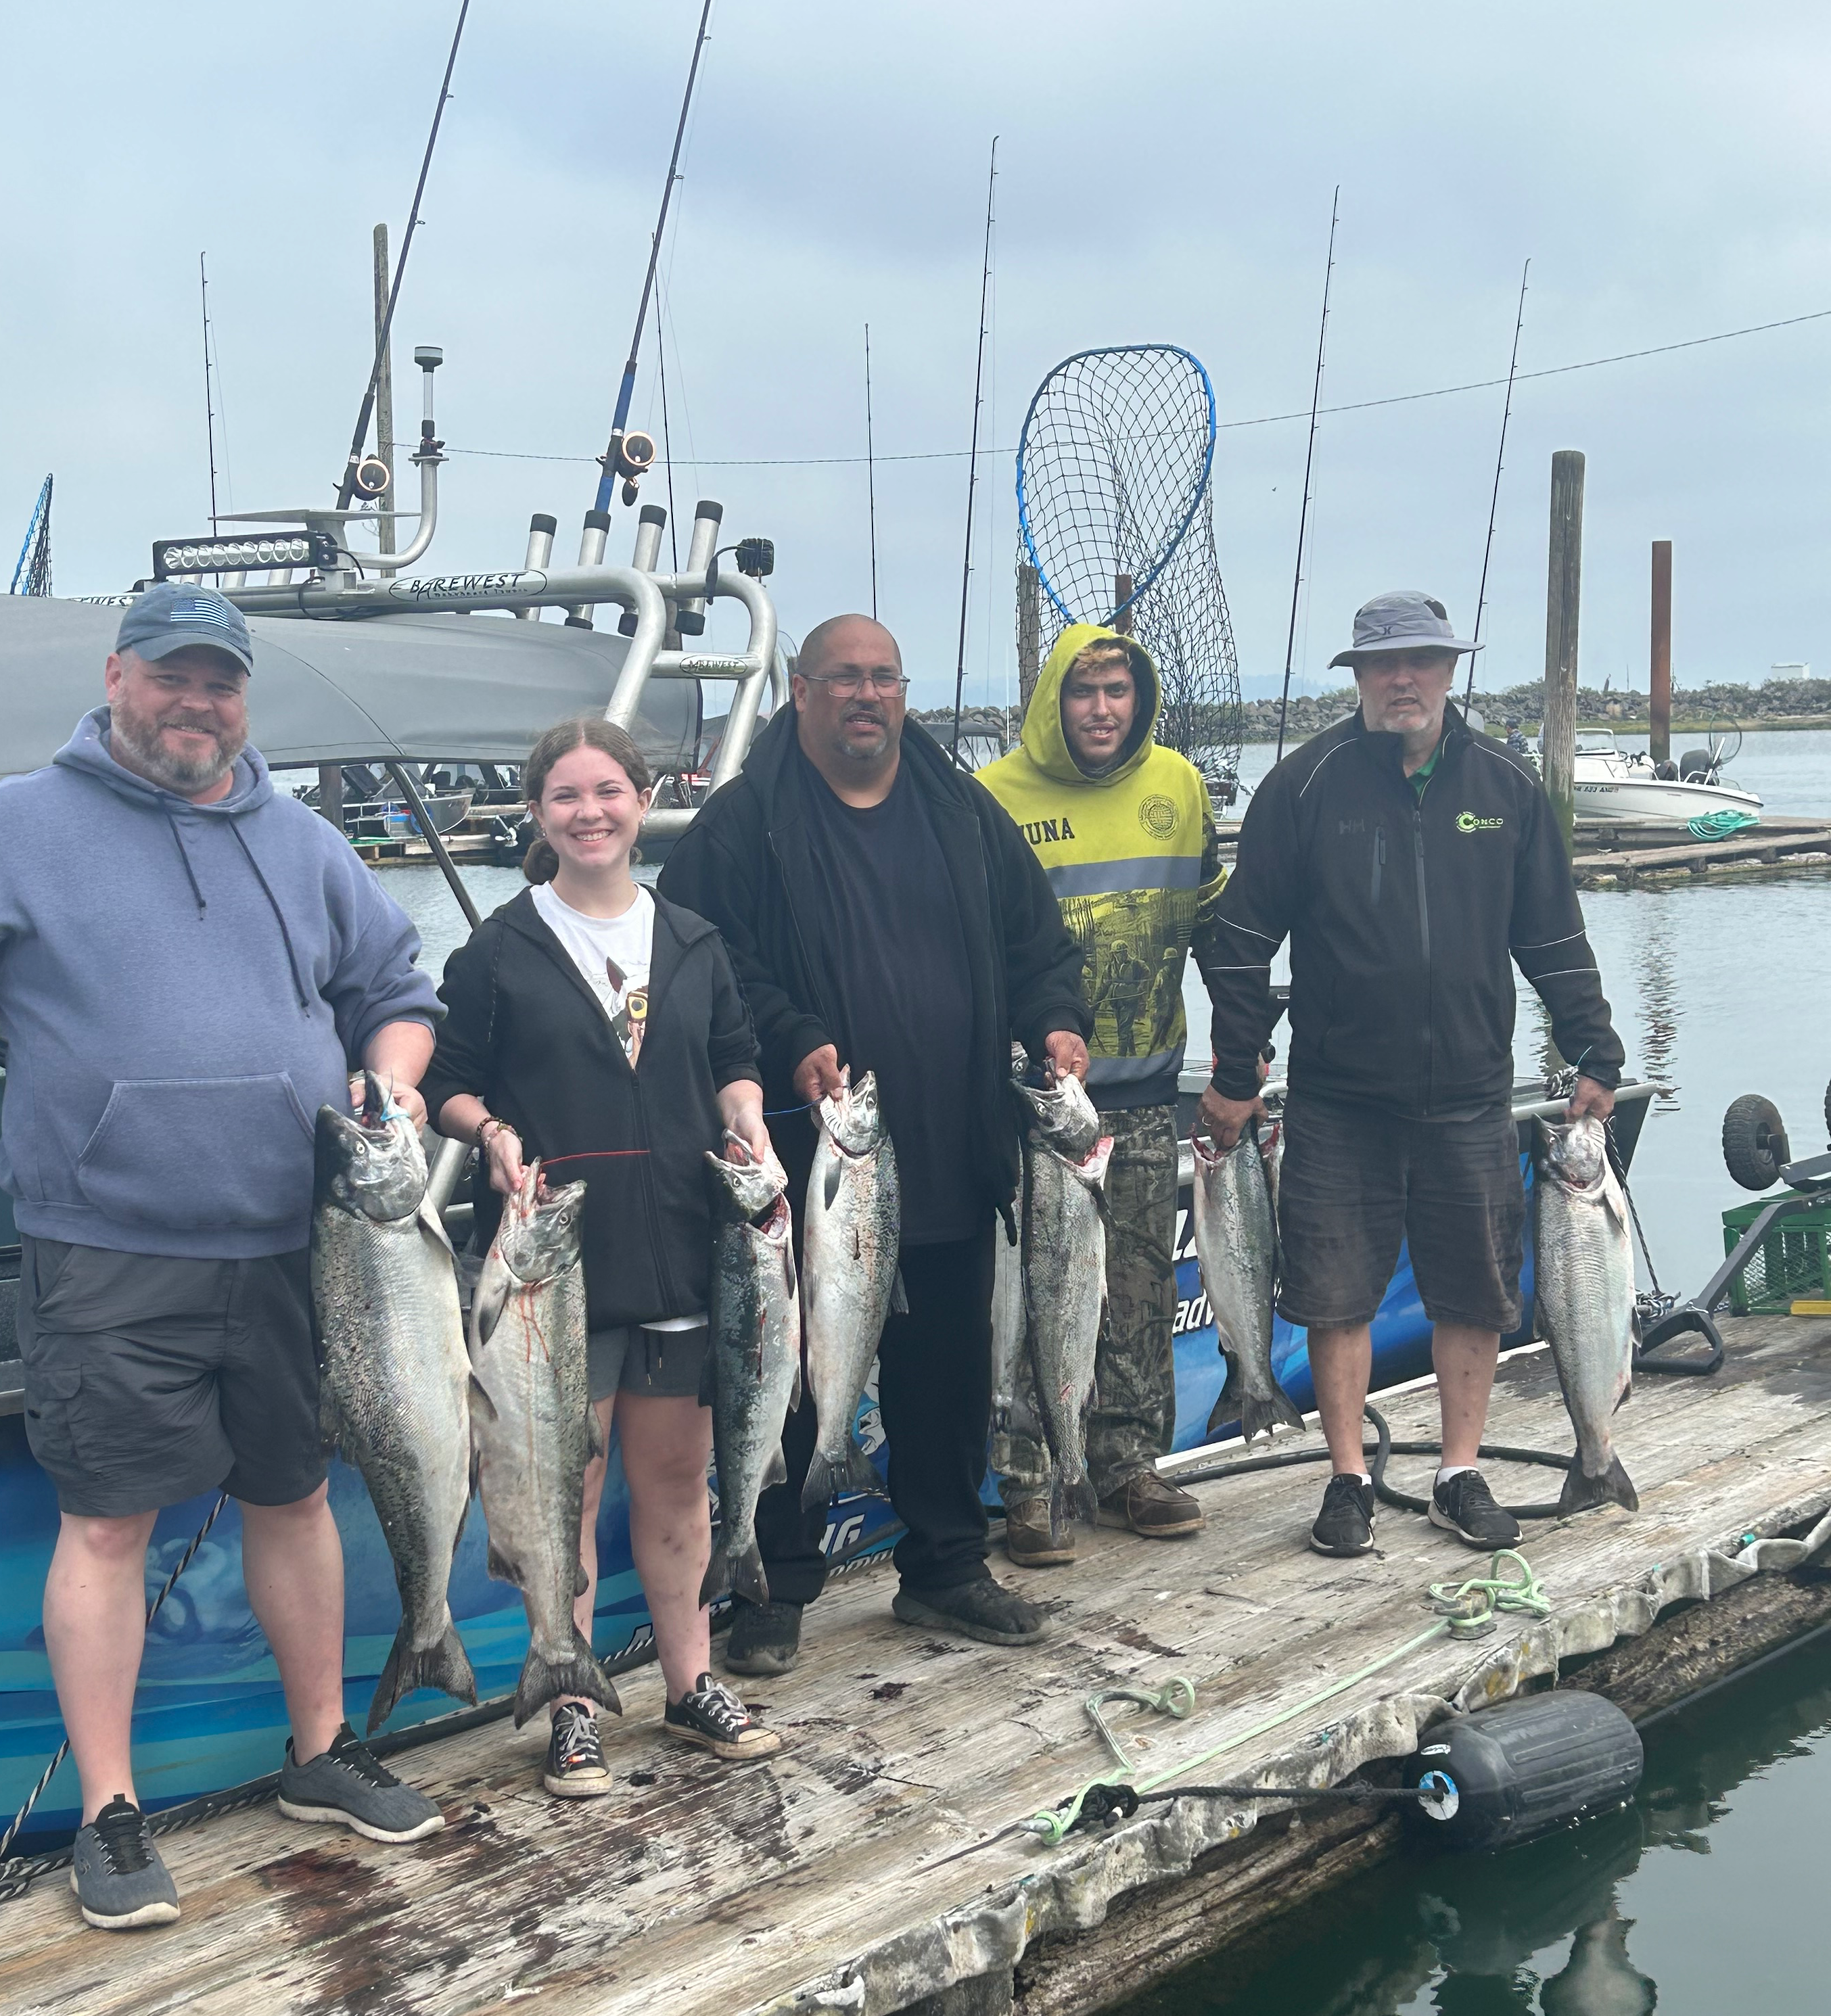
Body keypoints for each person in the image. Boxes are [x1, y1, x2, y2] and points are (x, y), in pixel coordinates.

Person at [0, 584, 449, 1929]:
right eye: (171, 677)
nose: (195, 703)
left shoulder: (308, 842)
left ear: (244, 698)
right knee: (103, 1524)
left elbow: (399, 993)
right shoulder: (9, 830)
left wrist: (395, 1080)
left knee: (296, 1495)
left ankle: (320, 1750)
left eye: (220, 682)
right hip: (104, 1253)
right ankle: (109, 1814)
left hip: (300, 1248)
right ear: (115, 676)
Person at [657, 613, 1092, 1677]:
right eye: (844, 678)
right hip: (815, 1161)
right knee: (802, 1372)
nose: (867, 696)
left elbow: (1040, 946)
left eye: (885, 679)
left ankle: (945, 1566)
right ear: (799, 692)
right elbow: (706, 968)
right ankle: (778, 1582)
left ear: (906, 694)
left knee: (944, 1372)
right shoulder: (740, 825)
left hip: (954, 1143)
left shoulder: (964, 813)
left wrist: (1056, 1021)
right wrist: (795, 1037)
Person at [1197, 590, 1624, 1558]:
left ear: (1449, 669)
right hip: (1339, 1096)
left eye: (1422, 663)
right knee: (1336, 1295)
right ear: (1357, 676)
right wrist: (1232, 1066)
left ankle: (1458, 1472)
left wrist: (1595, 1049)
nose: (1403, 681)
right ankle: (1348, 1477)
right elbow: (1236, 943)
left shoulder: (1509, 789)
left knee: (1472, 1293)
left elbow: (1553, 935)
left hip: (1472, 1093)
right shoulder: (1304, 787)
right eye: (1384, 666)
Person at [425, 717, 783, 1799]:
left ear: (644, 799)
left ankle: (690, 1683)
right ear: (539, 813)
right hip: (549, 1271)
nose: (590, 813)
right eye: (567, 796)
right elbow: (449, 1081)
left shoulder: (693, 940)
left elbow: (732, 1060)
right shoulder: (498, 949)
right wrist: (490, 1136)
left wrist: (750, 1117)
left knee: (678, 1488)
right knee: (561, 1492)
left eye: (609, 792)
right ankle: (572, 1702)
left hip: (682, 1251)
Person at [976, 623, 1224, 1564]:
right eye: (1083, 694)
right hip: (1034, 1108)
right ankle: (1030, 1485)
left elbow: (1213, 924)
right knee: (1039, 1300)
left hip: (1147, 1090)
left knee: (1138, 1292)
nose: (1102, 711)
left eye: (1118, 691)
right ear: (1052, 700)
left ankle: (1128, 1465)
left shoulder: (1180, 785)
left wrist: (1241, 1055)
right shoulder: (991, 798)